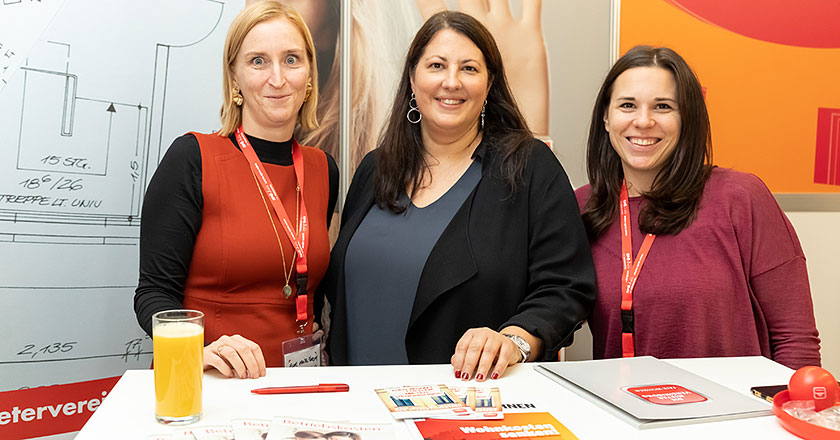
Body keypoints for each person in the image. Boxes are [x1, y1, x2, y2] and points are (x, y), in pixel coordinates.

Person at [320, 11, 596, 381]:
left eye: (469, 68)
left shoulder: (529, 167)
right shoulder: (375, 168)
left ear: (489, 83)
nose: (451, 82)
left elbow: (567, 287)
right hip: (359, 404)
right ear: (413, 78)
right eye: (436, 65)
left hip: (466, 402)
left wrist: (514, 341)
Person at [575, 45, 821, 370]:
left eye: (663, 106)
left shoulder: (740, 197)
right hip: (625, 412)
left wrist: (790, 411)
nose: (644, 121)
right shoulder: (582, 208)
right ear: (606, 118)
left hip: (734, 416)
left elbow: (795, 338)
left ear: (687, 118)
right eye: (627, 105)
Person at [134, 2, 338, 378]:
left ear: (310, 73)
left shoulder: (323, 168)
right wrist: (203, 348)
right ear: (234, 77)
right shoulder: (193, 157)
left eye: (291, 60)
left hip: (299, 381)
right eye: (258, 61)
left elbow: (312, 284)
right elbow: (152, 295)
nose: (277, 78)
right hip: (209, 380)